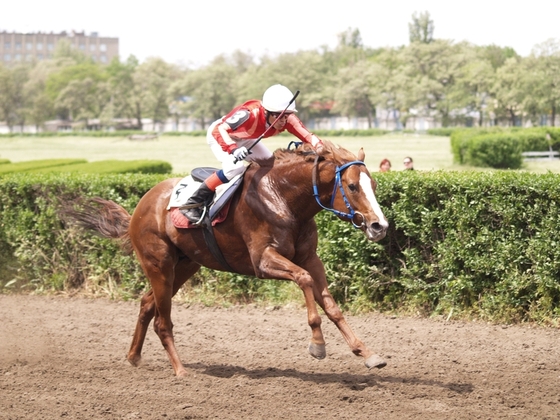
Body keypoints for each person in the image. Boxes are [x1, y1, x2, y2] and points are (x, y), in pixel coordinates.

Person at [182, 84, 325, 224]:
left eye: (286, 116)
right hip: (221, 135)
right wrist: (233, 149)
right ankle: (193, 203)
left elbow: (307, 135)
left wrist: (320, 147)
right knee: (235, 169)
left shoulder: (287, 118)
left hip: (247, 138)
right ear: (266, 111)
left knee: (271, 164)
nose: (283, 121)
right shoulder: (248, 113)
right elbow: (220, 129)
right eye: (279, 116)